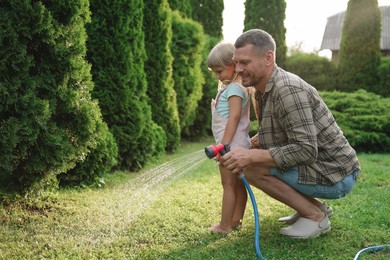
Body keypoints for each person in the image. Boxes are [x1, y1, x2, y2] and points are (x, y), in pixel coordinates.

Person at [219, 29, 361, 239]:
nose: (238, 70)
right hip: (321, 166)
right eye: (236, 62)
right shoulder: (262, 89)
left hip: (336, 174)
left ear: (269, 57)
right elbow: (281, 131)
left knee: (250, 167)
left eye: (245, 63)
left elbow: (305, 150)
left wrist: (250, 156)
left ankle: (315, 217)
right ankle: (313, 207)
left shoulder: (287, 90)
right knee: (250, 161)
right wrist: (251, 143)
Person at [207, 41, 252, 234]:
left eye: (219, 71)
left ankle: (224, 225)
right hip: (238, 143)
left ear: (233, 65)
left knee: (228, 184)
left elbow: (233, 117)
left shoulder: (234, 89)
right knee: (239, 184)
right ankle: (235, 220)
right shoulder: (234, 87)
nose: (217, 76)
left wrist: (223, 145)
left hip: (231, 144)